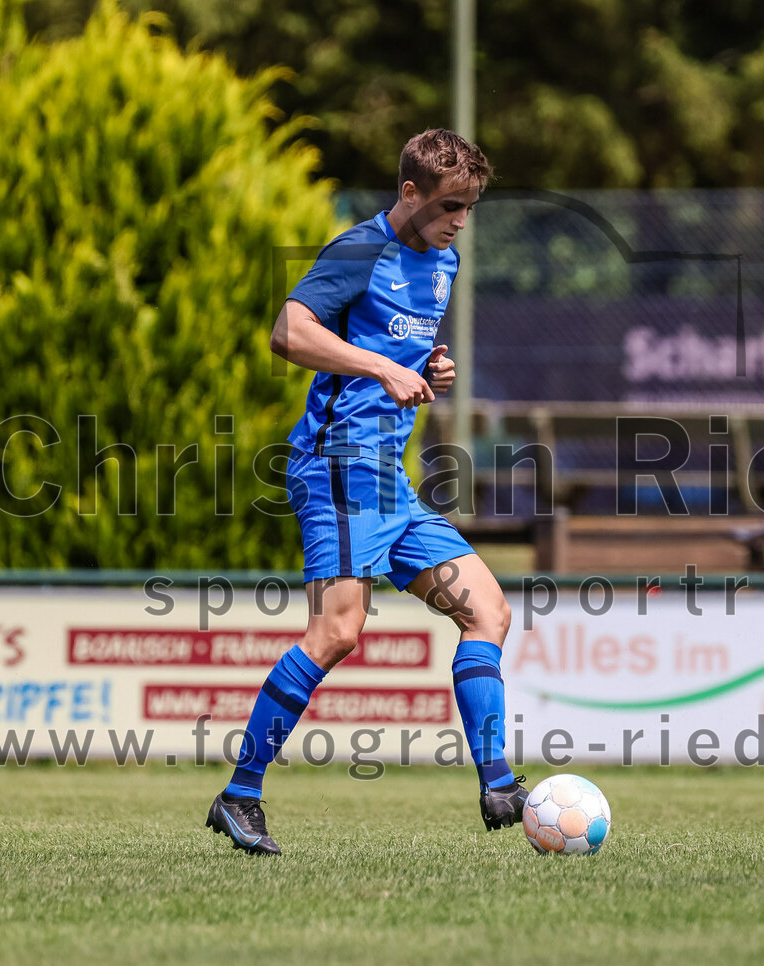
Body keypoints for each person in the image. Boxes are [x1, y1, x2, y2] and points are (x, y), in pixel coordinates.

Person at [206, 129, 526, 855]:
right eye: (450, 206)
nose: (461, 221)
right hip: (339, 468)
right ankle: (240, 794)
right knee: (338, 632)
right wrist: (381, 368)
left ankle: (500, 784)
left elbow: (401, 345)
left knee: (490, 611)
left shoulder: (440, 257)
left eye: (471, 206)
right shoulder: (359, 250)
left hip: (389, 478)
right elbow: (288, 333)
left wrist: (428, 367)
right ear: (409, 193)